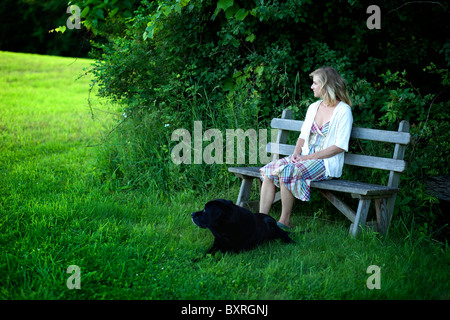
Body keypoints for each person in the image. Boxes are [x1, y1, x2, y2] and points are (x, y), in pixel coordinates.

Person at [259, 66, 353, 229]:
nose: (312, 87)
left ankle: (284, 222)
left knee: (287, 171)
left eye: (315, 83)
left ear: (326, 86)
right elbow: (303, 136)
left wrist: (306, 158)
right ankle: (260, 220)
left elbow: (340, 146)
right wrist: (296, 153)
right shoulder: (313, 107)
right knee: (269, 170)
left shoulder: (343, 111)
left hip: (325, 164)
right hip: (304, 159)